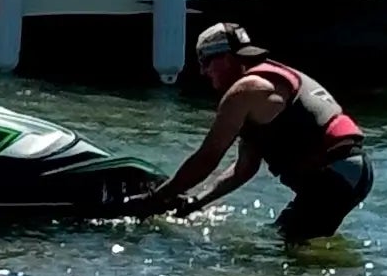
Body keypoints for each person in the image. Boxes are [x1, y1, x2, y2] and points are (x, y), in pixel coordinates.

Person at [139, 22, 374, 242]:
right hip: (353, 172)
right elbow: (244, 169)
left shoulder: (246, 90)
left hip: (335, 174)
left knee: (279, 246)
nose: (203, 71)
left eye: (206, 61)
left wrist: (156, 198)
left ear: (226, 58)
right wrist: (195, 202)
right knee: (290, 240)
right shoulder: (267, 82)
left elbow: (207, 157)